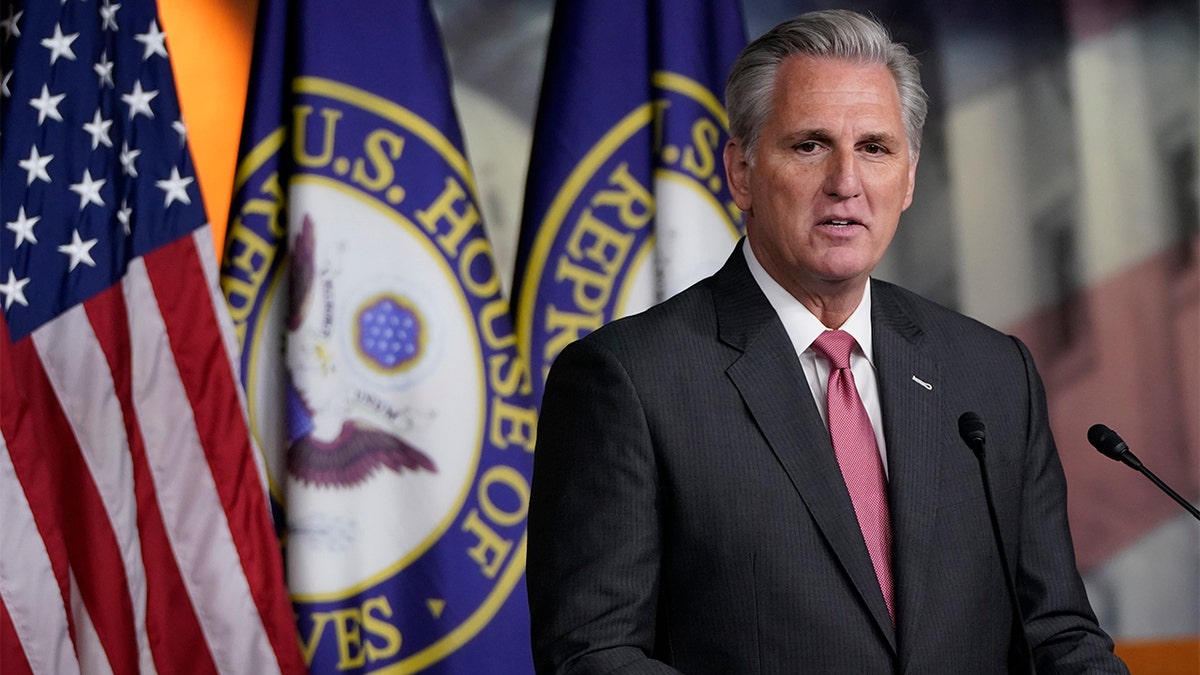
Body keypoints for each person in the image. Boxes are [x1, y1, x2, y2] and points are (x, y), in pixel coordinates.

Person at [526, 9, 1128, 675]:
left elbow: (1060, 634)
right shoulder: (628, 381)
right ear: (742, 172)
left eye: (875, 148)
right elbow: (593, 654)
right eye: (810, 145)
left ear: (908, 176)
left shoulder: (992, 374)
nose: (847, 180)